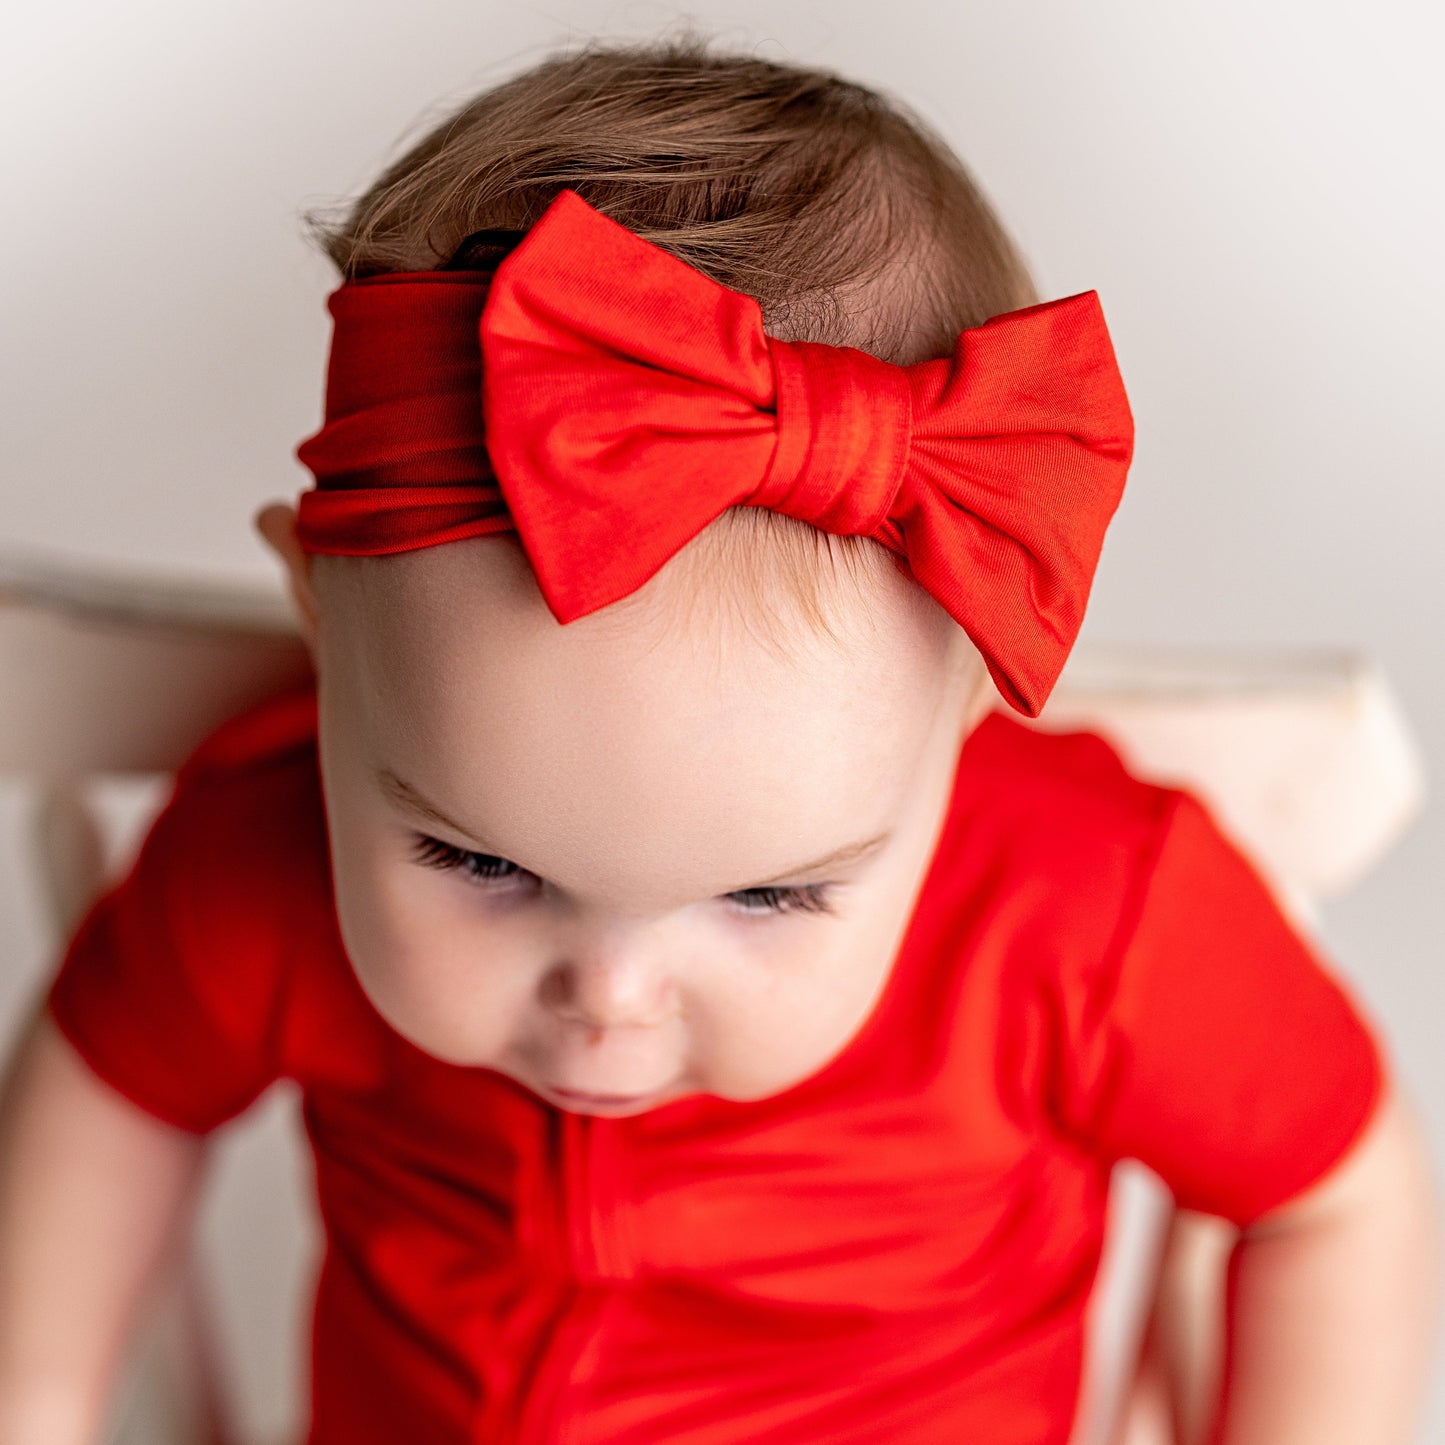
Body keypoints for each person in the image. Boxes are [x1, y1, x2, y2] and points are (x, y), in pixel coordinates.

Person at [0, 38, 1437, 1445]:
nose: (611, 1000)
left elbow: (1332, 1193)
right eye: (476, 856)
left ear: (966, 694)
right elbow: (107, 1086)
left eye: (769, 893)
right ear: (321, 620)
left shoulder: (1082, 915)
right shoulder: (266, 859)